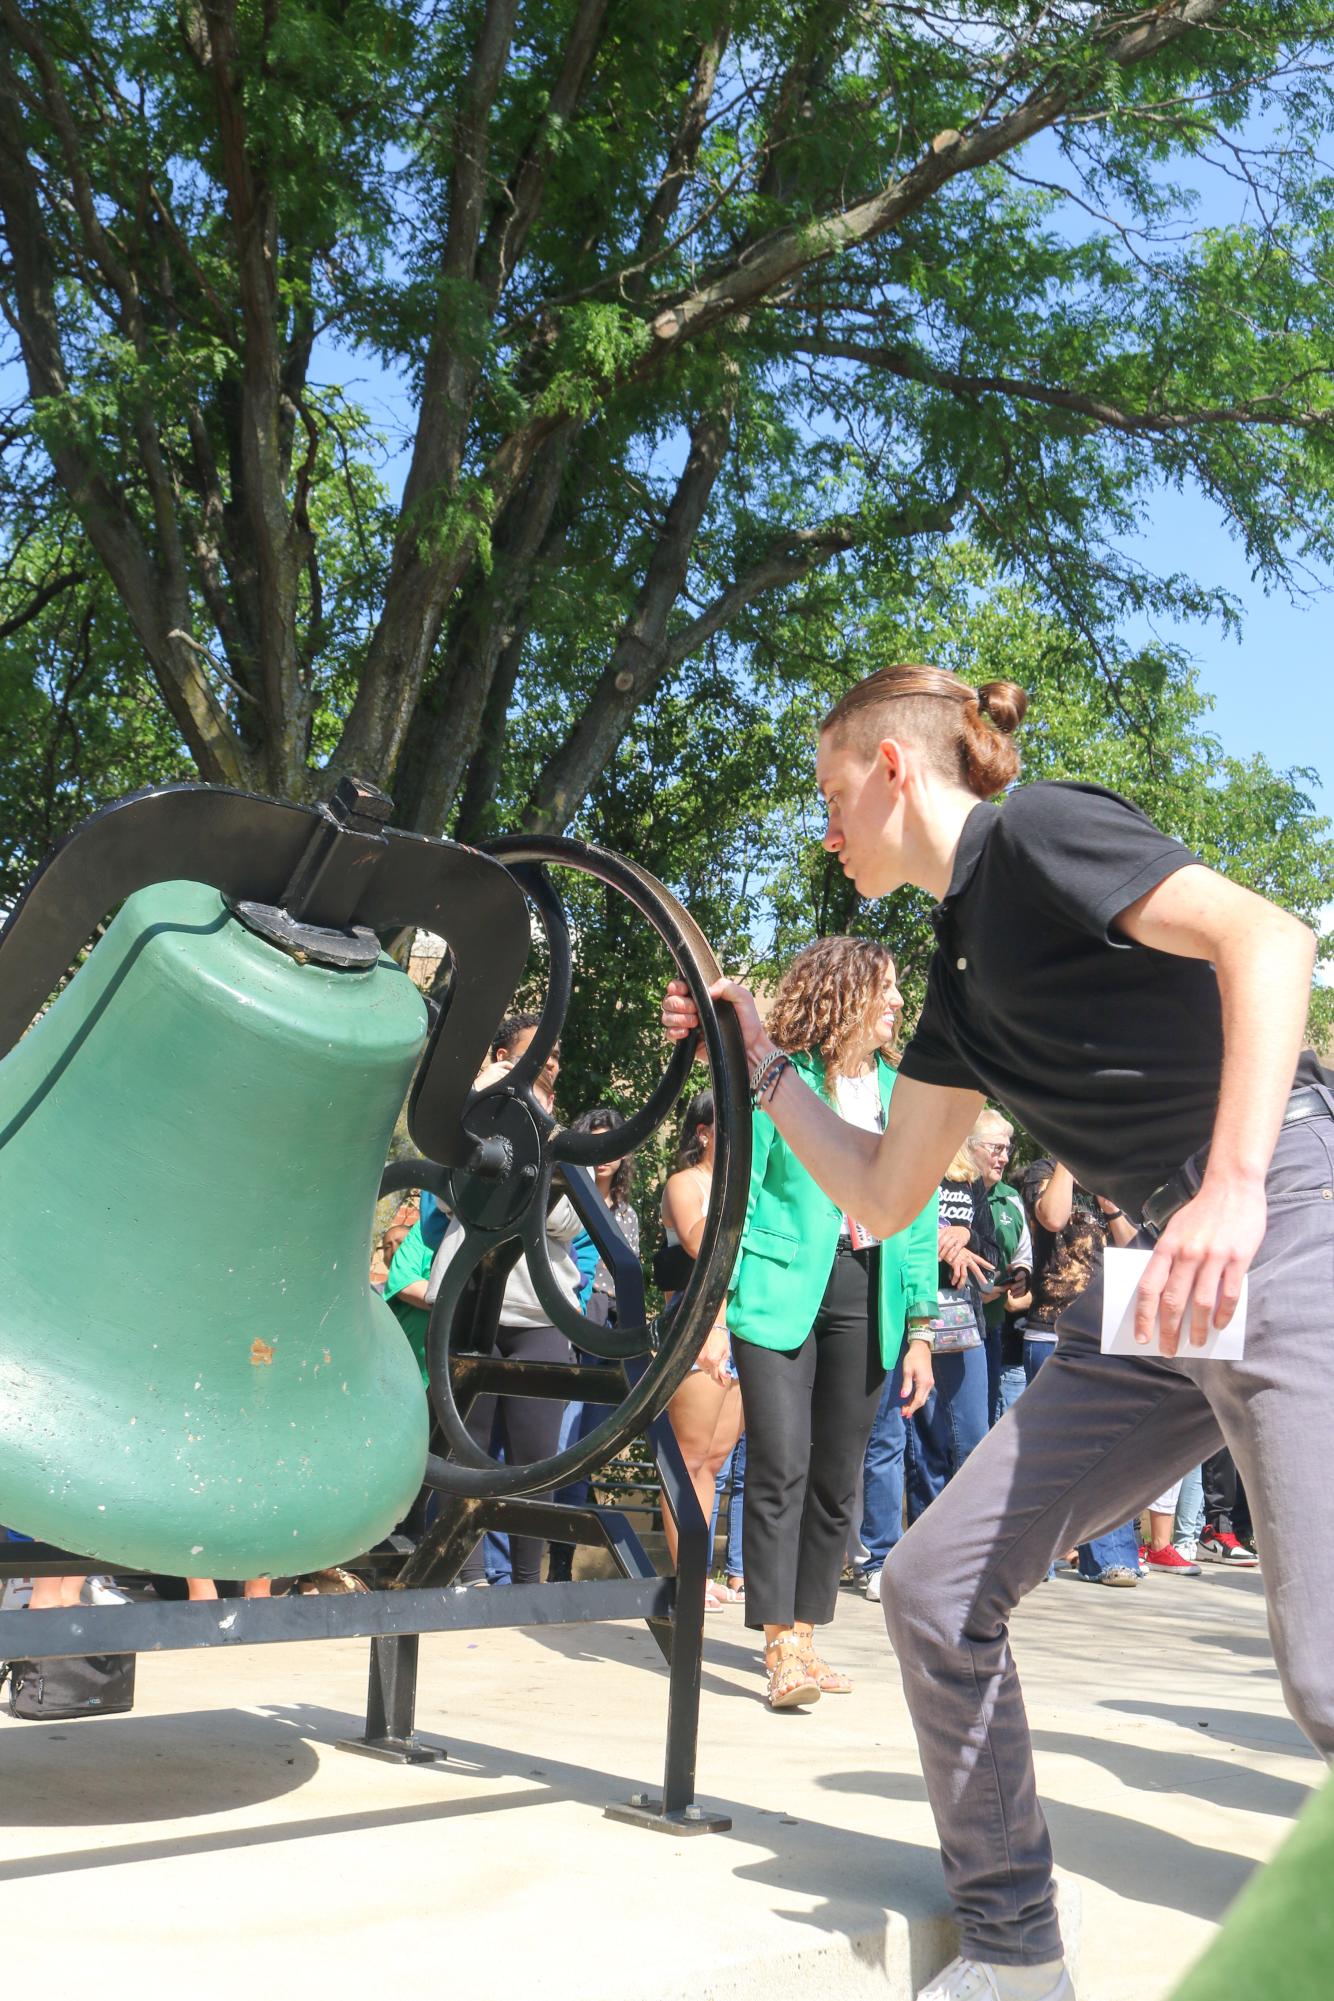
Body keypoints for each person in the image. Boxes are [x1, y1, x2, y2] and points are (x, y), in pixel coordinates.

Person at [664, 660, 1326, 2001]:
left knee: (1323, 1664)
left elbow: (1269, 938)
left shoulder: (1038, 836)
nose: (823, 824)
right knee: (933, 1590)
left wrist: (1234, 1183)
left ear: (892, 766)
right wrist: (770, 1072)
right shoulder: (957, 990)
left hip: (1283, 1217)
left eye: (827, 788)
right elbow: (881, 1190)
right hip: (1154, 1279)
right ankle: (1017, 1953)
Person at [726, 937, 937, 1707]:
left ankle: (808, 1634)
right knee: (780, 1462)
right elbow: (741, 1193)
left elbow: (912, 1218)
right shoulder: (783, 1079)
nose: (897, 1005)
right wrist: (716, 1309)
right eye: (884, 989)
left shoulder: (898, 1092)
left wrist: (921, 1328)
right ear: (845, 994)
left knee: (837, 1475)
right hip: (780, 1286)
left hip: (868, 1288)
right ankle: (777, 1642)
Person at [427, 1012, 580, 1589]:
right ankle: (465, 1578)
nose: (550, 1063)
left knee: (535, 1455)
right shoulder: (470, 1117)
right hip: (472, 1298)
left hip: (540, 1312)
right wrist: (481, 1100)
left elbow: (568, 1218)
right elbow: (449, 1199)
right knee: (465, 1447)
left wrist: (529, 1178)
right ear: (499, 1057)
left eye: (555, 1053)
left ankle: (526, 1581)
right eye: (536, 1052)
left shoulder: (553, 1130)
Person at [1019, 1161, 1142, 1588]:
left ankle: (1110, 1558)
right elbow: (1052, 1218)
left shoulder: (1110, 1177)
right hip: (1051, 1329)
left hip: (1106, 1330)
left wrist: (1109, 1203)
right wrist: (1068, 1161)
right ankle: (1039, 1556)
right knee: (1045, 1452)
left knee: (1106, 1449)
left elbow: (1137, 1248)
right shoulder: (1042, 1172)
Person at [658, 1090, 744, 1611]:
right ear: (704, 1131)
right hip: (694, 1330)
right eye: (728, 1123)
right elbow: (696, 1241)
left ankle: (702, 1571)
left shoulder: (746, 1185)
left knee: (713, 1461)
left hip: (739, 1330)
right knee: (687, 1458)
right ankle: (683, 1575)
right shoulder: (684, 1183)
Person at [548, 1107, 641, 1583]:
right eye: (595, 1143)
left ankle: (562, 1567)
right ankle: (546, 1560)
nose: (603, 1157)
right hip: (571, 1323)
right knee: (559, 1443)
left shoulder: (627, 1213)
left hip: (611, 1334)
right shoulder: (567, 1203)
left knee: (588, 1447)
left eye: (612, 1145)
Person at [905, 1140, 996, 1522]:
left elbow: (992, 1256)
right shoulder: (906, 1159)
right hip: (912, 1316)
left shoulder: (969, 1175)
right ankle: (925, 1543)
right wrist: (939, 1245)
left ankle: (967, 1537)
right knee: (925, 1445)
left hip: (962, 1321)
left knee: (974, 1438)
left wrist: (965, 1238)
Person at [972, 1112, 1033, 1421]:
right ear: (969, 1147)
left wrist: (1021, 1275)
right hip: (945, 1329)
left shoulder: (1010, 1199)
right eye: (996, 1148)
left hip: (992, 1328)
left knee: (981, 1418)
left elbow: (1023, 1254)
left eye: (1007, 1149)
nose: (1005, 1158)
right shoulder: (944, 1191)